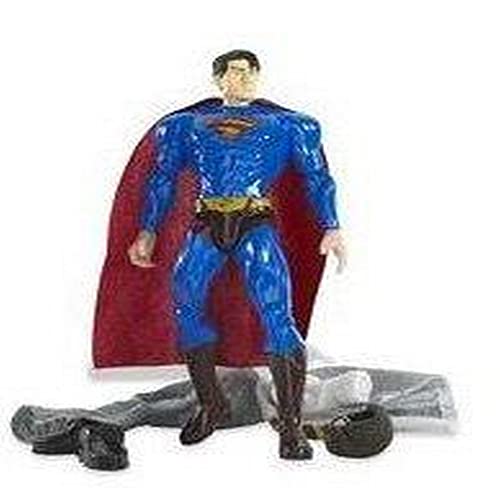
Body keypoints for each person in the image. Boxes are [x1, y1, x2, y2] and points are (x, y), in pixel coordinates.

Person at [96, 49, 346, 460]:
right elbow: (162, 178)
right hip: (206, 223)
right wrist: (147, 230)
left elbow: (316, 176)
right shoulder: (183, 126)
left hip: (255, 224)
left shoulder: (291, 125)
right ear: (218, 78)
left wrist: (331, 225)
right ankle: (211, 403)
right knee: (186, 303)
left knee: (277, 315)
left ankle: (290, 426)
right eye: (235, 72)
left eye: (250, 72)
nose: (244, 79)